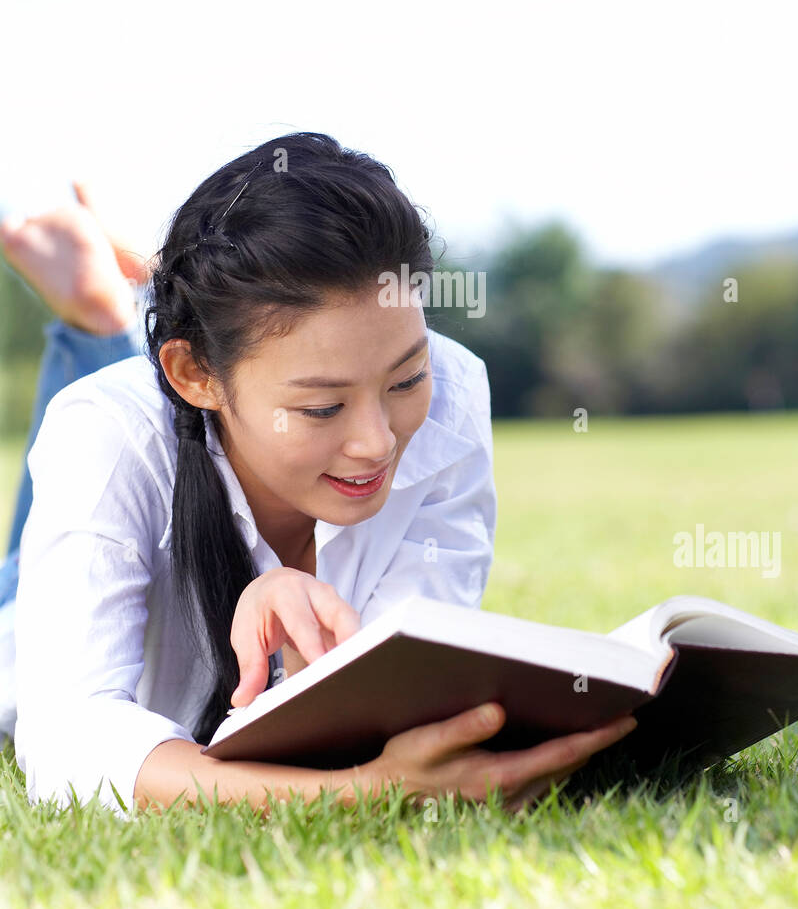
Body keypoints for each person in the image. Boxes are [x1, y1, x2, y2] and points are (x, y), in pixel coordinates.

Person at [1, 131, 637, 817]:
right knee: (96, 445)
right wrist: (357, 794)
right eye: (322, 406)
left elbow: (399, 686)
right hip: (39, 593)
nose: (376, 443)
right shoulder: (106, 435)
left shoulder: (451, 394)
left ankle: (131, 303)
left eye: (406, 379)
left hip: (175, 411)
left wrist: (301, 664)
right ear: (196, 374)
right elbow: (70, 742)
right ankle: (101, 321)